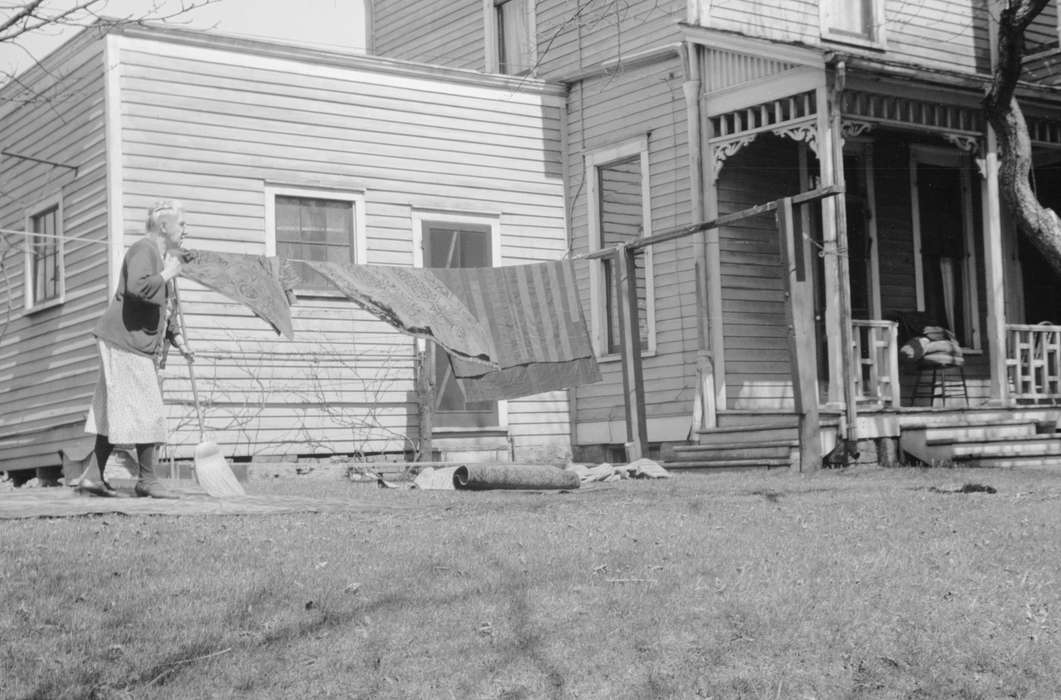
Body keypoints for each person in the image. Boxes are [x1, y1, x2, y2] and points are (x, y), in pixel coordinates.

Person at [78, 201, 194, 498]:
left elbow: (161, 308)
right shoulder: (145, 250)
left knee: (112, 412)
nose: (186, 229)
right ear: (164, 226)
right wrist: (168, 274)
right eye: (181, 224)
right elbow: (138, 288)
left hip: (125, 341)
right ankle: (147, 480)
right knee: (147, 408)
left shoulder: (161, 257)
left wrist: (176, 339)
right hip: (126, 342)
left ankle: (92, 477)